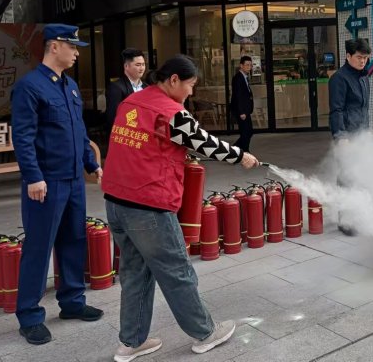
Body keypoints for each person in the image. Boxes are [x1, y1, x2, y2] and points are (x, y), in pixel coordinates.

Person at [102, 55, 260, 362]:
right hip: (148, 206)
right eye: (190, 85)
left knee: (135, 273)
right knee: (177, 271)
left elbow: (144, 145)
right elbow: (205, 142)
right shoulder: (170, 112)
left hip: (116, 202)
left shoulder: (131, 103)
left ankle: (131, 343)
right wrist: (241, 155)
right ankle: (205, 333)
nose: (191, 92)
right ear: (173, 80)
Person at [10, 24, 104, 345]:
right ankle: (29, 316)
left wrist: (91, 163)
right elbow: (23, 137)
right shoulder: (29, 87)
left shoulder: (70, 85)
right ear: (54, 47)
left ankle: (72, 301)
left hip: (74, 179)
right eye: (72, 47)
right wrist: (33, 176)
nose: (76, 53)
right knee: (39, 246)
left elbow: (78, 130)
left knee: (74, 240)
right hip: (46, 182)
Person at [328, 38, 372, 236]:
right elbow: (336, 110)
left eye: (365, 58)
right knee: (346, 178)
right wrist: (341, 136)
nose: (363, 61)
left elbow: (364, 109)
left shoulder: (363, 77)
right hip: (347, 136)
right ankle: (345, 221)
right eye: (359, 57)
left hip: (361, 135)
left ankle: (359, 216)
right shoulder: (339, 79)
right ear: (348, 56)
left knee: (360, 176)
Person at [105, 48, 147, 130]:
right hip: (126, 132)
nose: (142, 68)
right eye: (138, 65)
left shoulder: (146, 87)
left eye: (143, 64)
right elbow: (112, 117)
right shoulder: (116, 87)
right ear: (126, 66)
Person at [230, 55, 254, 152]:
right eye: (247, 65)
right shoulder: (238, 78)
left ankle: (234, 151)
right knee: (246, 132)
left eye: (250, 65)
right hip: (242, 110)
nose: (249, 67)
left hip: (246, 109)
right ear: (241, 65)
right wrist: (241, 112)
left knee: (249, 131)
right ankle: (243, 151)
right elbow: (238, 96)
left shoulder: (244, 77)